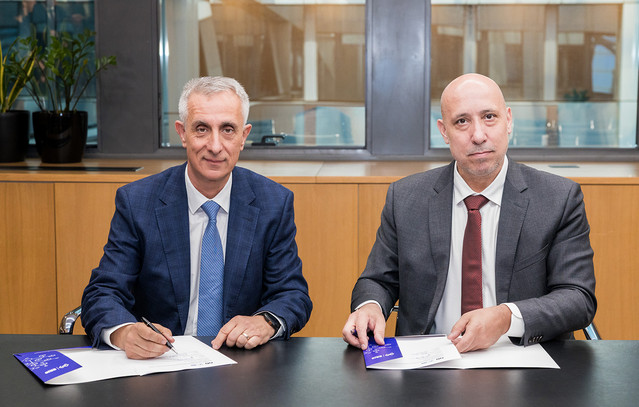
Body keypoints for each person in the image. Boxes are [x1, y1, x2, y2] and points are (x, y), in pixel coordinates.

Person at [342, 73, 596, 353]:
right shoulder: (405, 198)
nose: (478, 135)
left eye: (489, 117)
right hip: (429, 361)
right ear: (444, 131)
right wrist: (370, 306)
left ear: (508, 120)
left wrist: (506, 318)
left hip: (522, 359)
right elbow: (377, 279)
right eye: (462, 121)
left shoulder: (558, 198)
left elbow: (578, 298)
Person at [82, 76, 312, 359]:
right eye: (202, 129)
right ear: (182, 133)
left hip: (240, 364)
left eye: (228, 130)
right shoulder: (138, 202)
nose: (215, 146)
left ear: (243, 136)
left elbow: (292, 294)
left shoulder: (273, 203)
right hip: (161, 362)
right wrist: (125, 332)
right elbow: (103, 292)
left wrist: (265, 322)